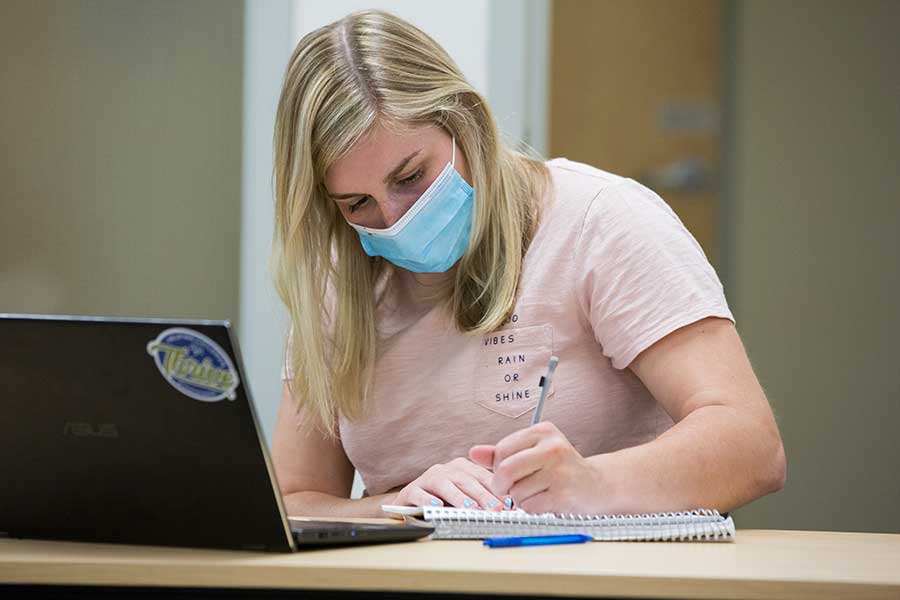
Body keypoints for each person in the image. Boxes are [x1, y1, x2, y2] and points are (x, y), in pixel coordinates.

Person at [269, 9, 786, 518]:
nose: (395, 219)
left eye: (411, 177)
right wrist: (394, 507)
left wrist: (593, 484)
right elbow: (293, 502)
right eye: (357, 203)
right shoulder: (339, 281)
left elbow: (752, 446)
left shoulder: (597, 221)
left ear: (465, 121)